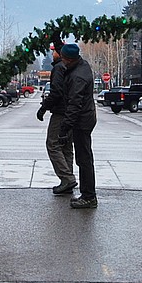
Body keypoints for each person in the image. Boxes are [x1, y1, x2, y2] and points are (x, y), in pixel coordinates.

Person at [58, 43, 98, 209]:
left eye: (63, 59)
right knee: (85, 157)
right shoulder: (82, 65)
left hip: (82, 121)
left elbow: (75, 104)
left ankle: (89, 196)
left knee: (84, 159)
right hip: (87, 117)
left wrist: (65, 128)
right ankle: (87, 194)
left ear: (68, 60)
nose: (62, 62)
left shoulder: (77, 78)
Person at [37, 41, 76, 195]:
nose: (52, 53)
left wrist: (43, 108)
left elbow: (56, 92)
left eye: (53, 51)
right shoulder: (70, 67)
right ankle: (68, 180)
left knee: (52, 144)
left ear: (60, 54)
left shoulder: (58, 68)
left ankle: (67, 178)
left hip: (60, 112)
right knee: (66, 146)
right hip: (71, 111)